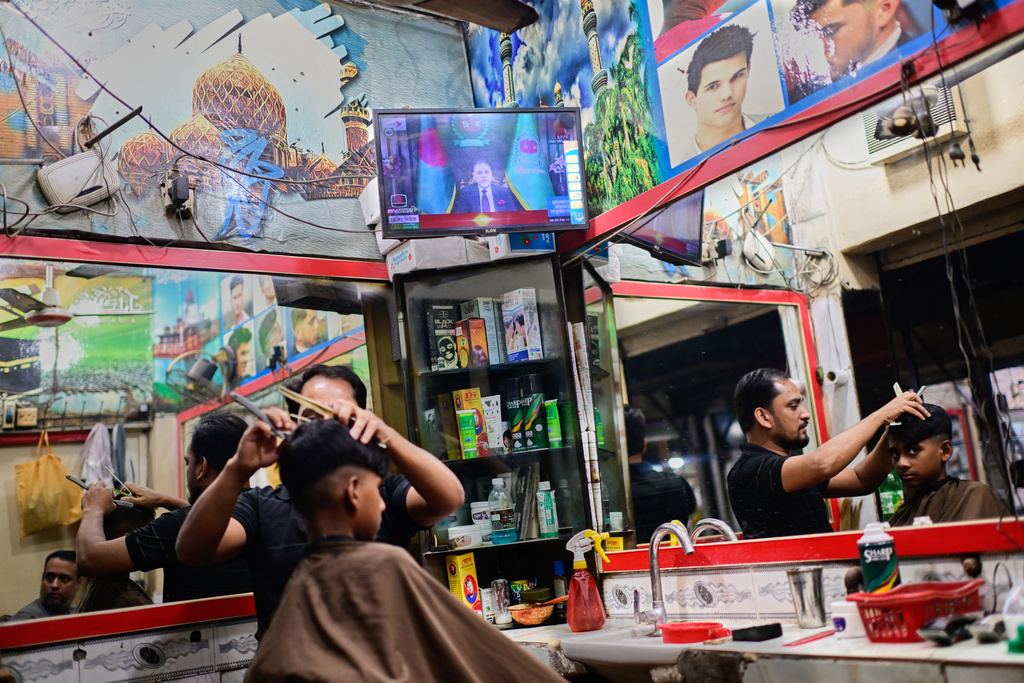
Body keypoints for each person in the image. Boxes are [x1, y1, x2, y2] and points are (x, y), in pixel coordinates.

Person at [244, 418, 565, 683]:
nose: (382, 502)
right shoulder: (387, 564)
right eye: (375, 489)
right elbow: (490, 659)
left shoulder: (299, 586)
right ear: (354, 492)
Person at [176, 364, 464, 639]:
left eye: (341, 417)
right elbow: (192, 551)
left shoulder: (382, 496)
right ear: (293, 428)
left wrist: (385, 434)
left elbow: (449, 498)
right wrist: (238, 467)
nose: (326, 428)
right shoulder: (259, 507)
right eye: (312, 418)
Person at [727, 368, 927, 538]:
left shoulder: (790, 470)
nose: (805, 414)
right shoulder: (750, 470)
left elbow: (862, 479)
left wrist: (891, 432)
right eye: (793, 406)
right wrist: (881, 415)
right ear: (763, 417)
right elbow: (822, 464)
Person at [76, 413, 252, 603]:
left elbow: (89, 559)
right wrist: (164, 500)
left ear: (202, 467)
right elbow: (222, 520)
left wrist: (92, 509)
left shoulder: (176, 527)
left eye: (188, 462)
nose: (188, 469)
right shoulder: (267, 505)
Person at [887, 404, 1007, 526]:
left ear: (945, 451)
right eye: (895, 454)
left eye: (913, 451)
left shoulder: (975, 496)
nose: (901, 463)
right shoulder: (903, 513)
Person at [792, 0, 913, 82]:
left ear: (884, 10)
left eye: (831, 30)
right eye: (812, 37)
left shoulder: (923, 61)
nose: (819, 54)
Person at [625, 406, 697, 541]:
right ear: (644, 446)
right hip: (675, 560)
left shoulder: (610, 495)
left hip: (624, 561)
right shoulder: (676, 484)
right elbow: (691, 508)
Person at [685, 25, 760, 154]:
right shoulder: (681, 171)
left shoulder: (780, 123)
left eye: (737, 76)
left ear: (748, 69)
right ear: (692, 100)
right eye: (713, 86)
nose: (728, 94)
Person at [76, 504, 155, 613]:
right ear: (126, 540)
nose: (151, 543)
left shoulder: (98, 587)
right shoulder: (124, 602)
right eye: (145, 538)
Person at [10, 551, 81, 620]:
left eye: (64, 579)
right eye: (50, 577)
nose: (54, 585)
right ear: (42, 579)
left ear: (79, 583)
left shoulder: (78, 614)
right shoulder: (27, 620)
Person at [452, 160, 518, 213]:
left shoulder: (504, 192)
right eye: (479, 173)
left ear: (491, 173)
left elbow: (512, 215)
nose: (483, 176)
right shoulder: (465, 192)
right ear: (474, 175)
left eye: (486, 172)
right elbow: (461, 216)